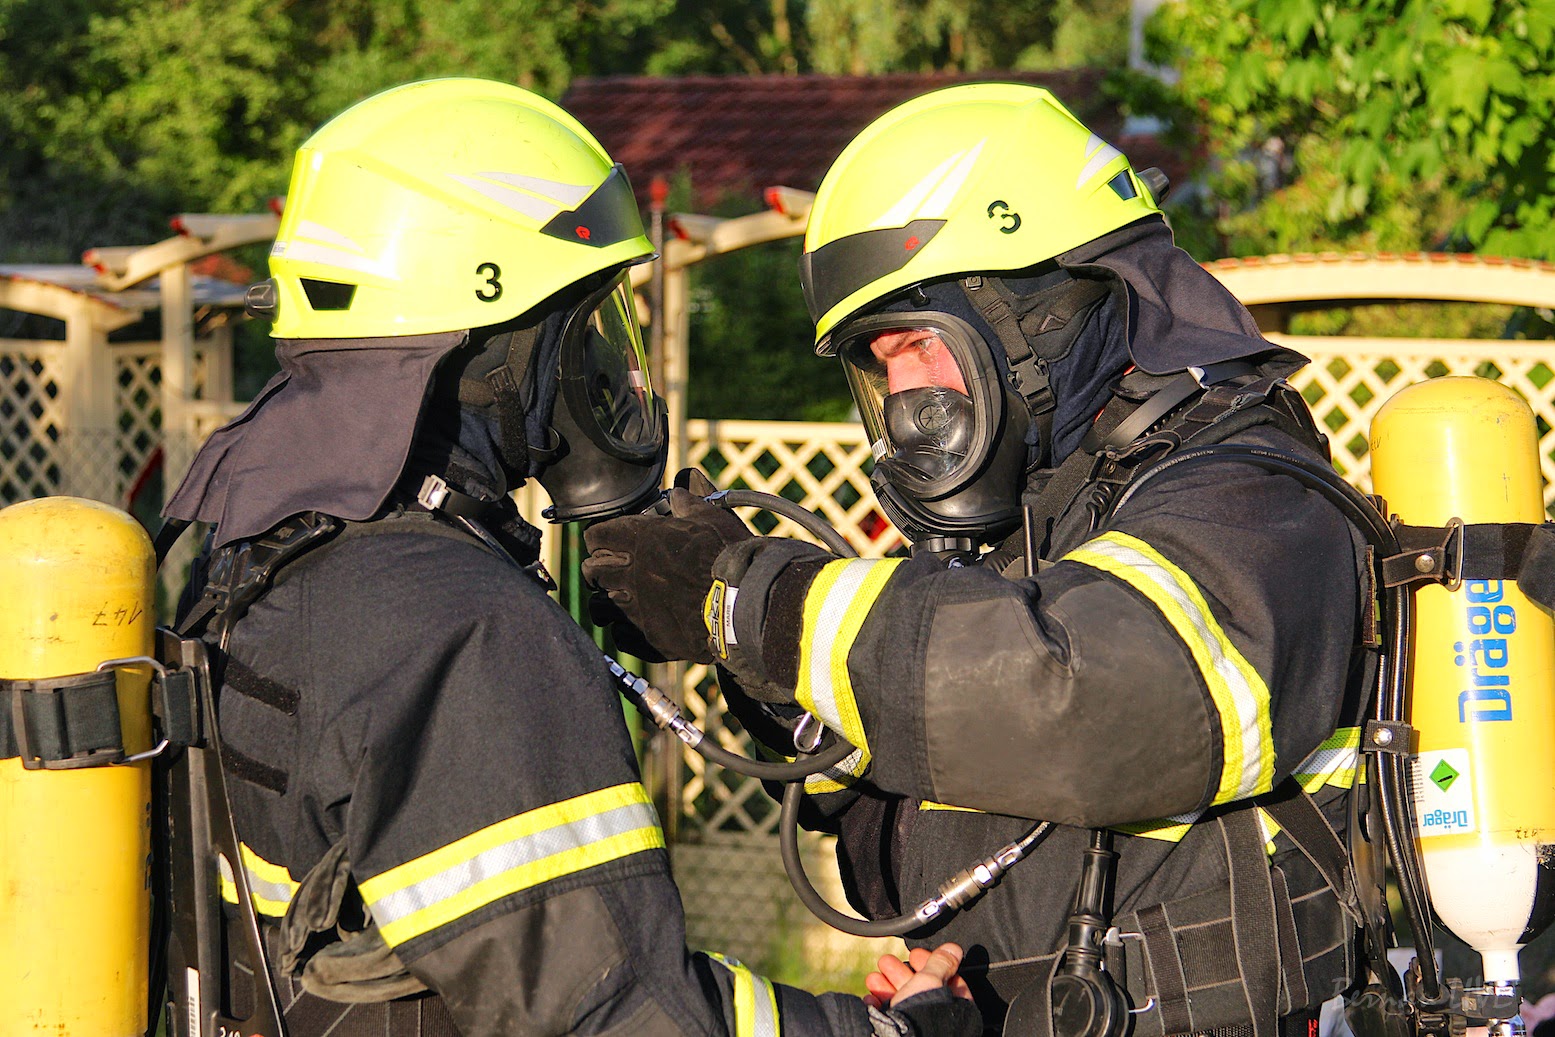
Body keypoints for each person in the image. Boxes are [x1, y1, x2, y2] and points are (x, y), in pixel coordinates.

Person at [161, 77, 980, 1037]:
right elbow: (614, 1009)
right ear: (499, 342)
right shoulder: (456, 625)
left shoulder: (249, 550)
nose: (599, 364)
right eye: (582, 326)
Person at [583, 84, 1375, 1037]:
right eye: (881, 365)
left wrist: (759, 604)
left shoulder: (1249, 495)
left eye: (921, 344)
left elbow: (1092, 700)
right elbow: (929, 791)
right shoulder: (1043, 517)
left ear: (1036, 315)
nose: (906, 394)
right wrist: (778, 688)